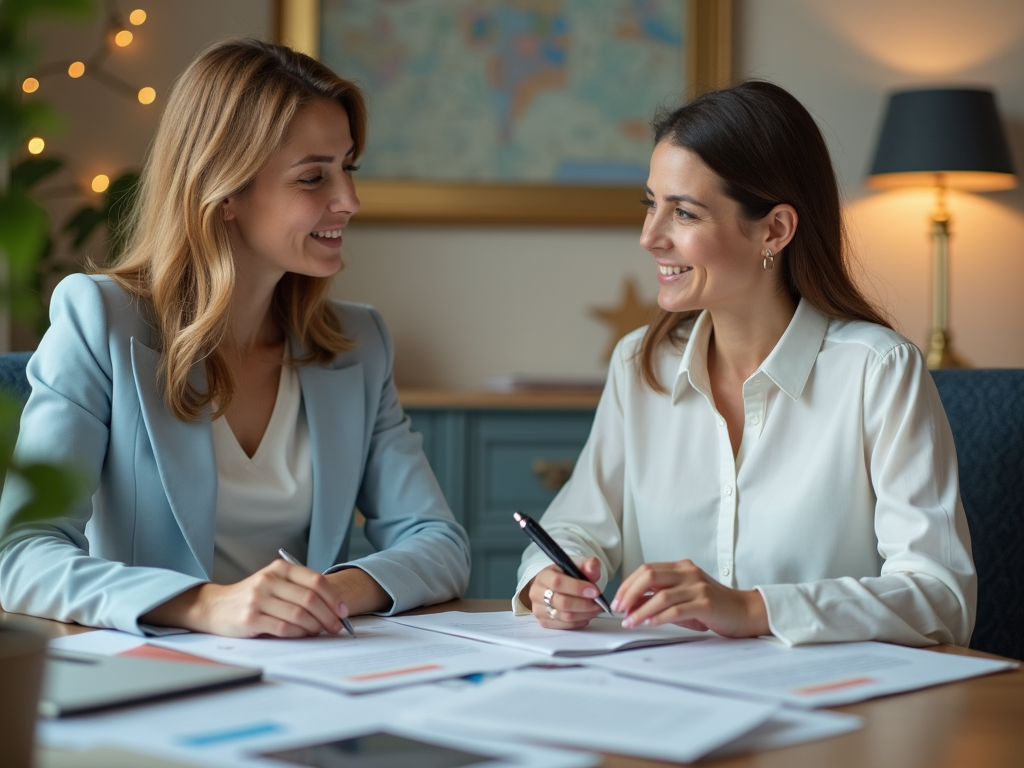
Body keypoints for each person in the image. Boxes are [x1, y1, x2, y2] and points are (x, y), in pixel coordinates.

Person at [0, 39, 470, 637]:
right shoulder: (100, 320)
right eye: (312, 178)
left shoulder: (359, 343)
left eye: (347, 168)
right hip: (152, 681)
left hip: (315, 678)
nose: (349, 201)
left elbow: (438, 542)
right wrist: (203, 604)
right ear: (223, 193)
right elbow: (20, 554)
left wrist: (327, 594)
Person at [514, 80, 976, 647]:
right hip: (671, 705)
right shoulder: (640, 363)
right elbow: (575, 526)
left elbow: (940, 596)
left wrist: (754, 609)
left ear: (774, 230)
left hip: (833, 713)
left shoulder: (878, 371)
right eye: (651, 204)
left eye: (683, 213)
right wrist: (550, 579)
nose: (649, 237)